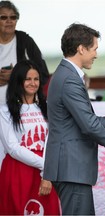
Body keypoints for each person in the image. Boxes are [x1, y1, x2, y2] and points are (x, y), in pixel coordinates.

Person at [41, 23, 105, 215]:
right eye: (94, 49)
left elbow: (85, 119)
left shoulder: (66, 75)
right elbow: (89, 124)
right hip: (71, 168)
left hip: (70, 168)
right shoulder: (69, 79)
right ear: (81, 49)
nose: (96, 54)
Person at [0, 60, 60, 214]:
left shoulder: (48, 108)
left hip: (44, 172)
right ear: (18, 81)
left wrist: (47, 172)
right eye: (28, 79)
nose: (33, 83)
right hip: (18, 170)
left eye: (36, 79)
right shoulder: (5, 111)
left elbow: (53, 140)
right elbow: (12, 148)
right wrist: (45, 167)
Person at [0, 0, 49, 169]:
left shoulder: (24, 40)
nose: (9, 21)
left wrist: (16, 75)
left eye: (13, 17)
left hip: (18, 111)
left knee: (18, 154)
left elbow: (42, 72)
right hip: (2, 109)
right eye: (3, 17)